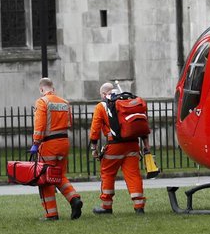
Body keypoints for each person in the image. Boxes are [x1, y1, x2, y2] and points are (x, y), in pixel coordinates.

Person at [89, 83, 147, 215]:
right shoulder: (129, 102)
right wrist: (146, 147)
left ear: (104, 94)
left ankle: (106, 206)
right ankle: (139, 206)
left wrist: (94, 147)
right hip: (132, 144)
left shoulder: (101, 106)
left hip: (114, 146)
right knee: (133, 174)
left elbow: (95, 129)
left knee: (108, 174)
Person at [30, 78, 83, 221]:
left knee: (45, 179)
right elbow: (69, 123)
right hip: (64, 142)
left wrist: (36, 142)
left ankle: (51, 214)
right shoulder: (64, 102)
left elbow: (40, 125)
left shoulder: (42, 102)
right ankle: (74, 199)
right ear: (53, 88)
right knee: (58, 175)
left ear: (42, 89)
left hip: (49, 144)